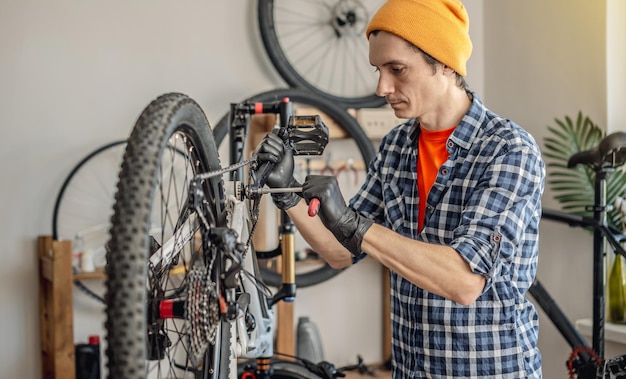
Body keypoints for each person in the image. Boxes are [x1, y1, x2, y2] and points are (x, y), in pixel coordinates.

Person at [254, 0, 545, 377]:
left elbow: (464, 281)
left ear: (443, 63)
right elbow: (340, 252)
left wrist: (354, 224)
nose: (382, 86)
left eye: (397, 69)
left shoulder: (507, 150)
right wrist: (286, 192)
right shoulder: (396, 146)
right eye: (378, 70)